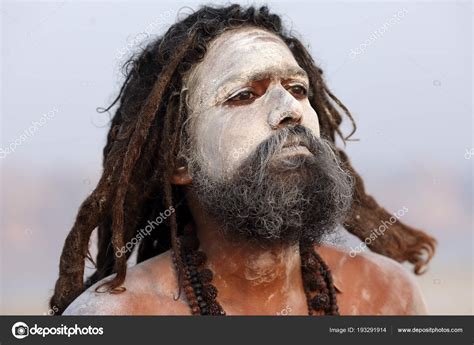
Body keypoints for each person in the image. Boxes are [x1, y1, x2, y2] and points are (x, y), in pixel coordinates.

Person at [50, 4, 436, 315]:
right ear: (180, 162)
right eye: (244, 96)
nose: (290, 109)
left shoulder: (387, 299)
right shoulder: (119, 318)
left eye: (298, 89)